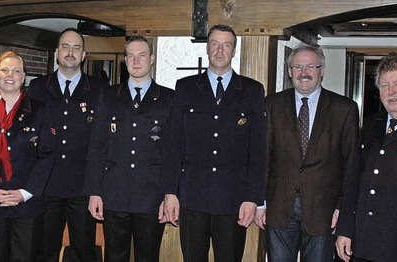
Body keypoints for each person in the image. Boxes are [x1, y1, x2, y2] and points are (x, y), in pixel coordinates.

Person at [161, 24, 267, 262]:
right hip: (191, 198)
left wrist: (253, 198)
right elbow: (172, 144)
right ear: (207, 48)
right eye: (215, 44)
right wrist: (170, 192)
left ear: (234, 50)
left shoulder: (252, 90)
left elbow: (258, 151)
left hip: (233, 200)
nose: (220, 50)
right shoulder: (185, 87)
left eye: (226, 44)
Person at [254, 45, 359, 262]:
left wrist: (343, 208)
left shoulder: (344, 109)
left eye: (311, 66)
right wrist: (259, 202)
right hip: (279, 207)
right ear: (290, 71)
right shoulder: (271, 105)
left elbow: (351, 165)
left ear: (322, 70)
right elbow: (262, 157)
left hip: (324, 211)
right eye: (298, 67)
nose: (304, 72)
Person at [335, 53, 397, 262]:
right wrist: (345, 229)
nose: (391, 92)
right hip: (365, 243)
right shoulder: (372, 124)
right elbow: (354, 181)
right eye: (384, 85)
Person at [85, 36, 173, 262]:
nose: (136, 61)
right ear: (125, 60)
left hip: (151, 196)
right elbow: (97, 145)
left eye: (142, 55)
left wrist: (170, 194)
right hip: (115, 193)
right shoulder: (109, 95)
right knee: (114, 256)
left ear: (152, 58)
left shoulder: (169, 98)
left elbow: (174, 152)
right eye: (131, 56)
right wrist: (95, 191)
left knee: (148, 256)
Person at [28, 28, 107, 262]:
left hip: (82, 187)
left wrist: (97, 188)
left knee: (85, 253)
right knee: (44, 251)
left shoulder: (99, 90)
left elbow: (102, 141)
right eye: (65, 46)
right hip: (46, 186)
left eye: (76, 48)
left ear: (84, 54)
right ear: (56, 52)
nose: (70, 52)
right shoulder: (37, 87)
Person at [0, 50, 54, 261]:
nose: (10, 75)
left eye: (16, 71)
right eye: (5, 70)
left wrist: (25, 192)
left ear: (23, 76)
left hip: (26, 206)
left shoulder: (40, 111)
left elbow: (47, 155)